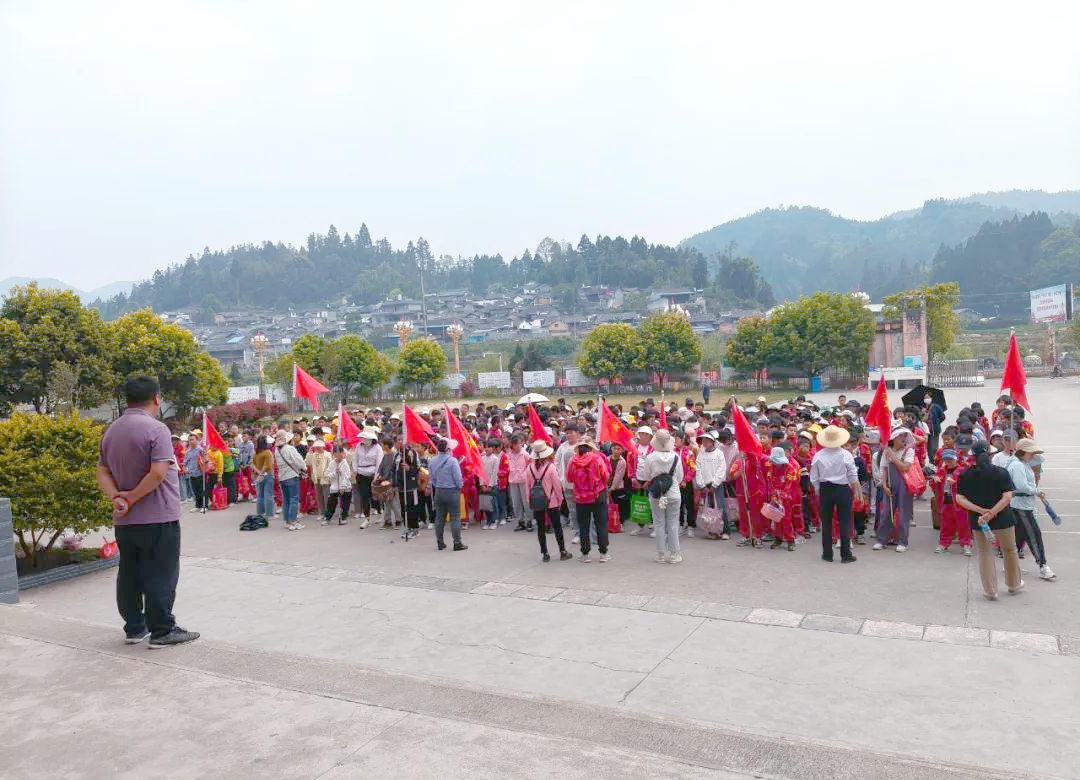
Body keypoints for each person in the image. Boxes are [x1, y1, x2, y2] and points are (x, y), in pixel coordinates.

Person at [96, 377, 199, 648]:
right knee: (161, 573)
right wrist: (132, 497)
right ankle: (163, 630)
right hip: (158, 517)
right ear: (156, 398)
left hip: (125, 521)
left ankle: (134, 627)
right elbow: (158, 473)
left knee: (129, 572)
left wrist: (118, 498)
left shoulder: (111, 431)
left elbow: (102, 470)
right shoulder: (157, 429)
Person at [956, 442, 1023, 600]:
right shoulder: (1001, 472)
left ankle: (990, 590)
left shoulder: (966, 474)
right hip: (1003, 518)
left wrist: (981, 511)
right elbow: (1007, 497)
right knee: (1010, 549)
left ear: (973, 456)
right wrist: (992, 512)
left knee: (985, 553)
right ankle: (1014, 584)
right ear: (991, 455)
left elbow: (959, 499)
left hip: (979, 520)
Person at [809, 425, 861, 564]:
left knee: (826, 523)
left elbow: (814, 477)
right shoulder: (846, 455)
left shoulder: (818, 456)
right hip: (843, 489)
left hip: (826, 489)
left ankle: (827, 554)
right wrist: (855, 490)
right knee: (844, 522)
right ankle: (846, 554)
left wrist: (818, 490)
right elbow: (852, 474)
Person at [1006, 439, 1057, 581]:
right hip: (1021, 506)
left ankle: (1009, 564)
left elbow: (1040, 459)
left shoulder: (1022, 463)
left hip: (1021, 505)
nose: (1033, 455)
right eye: (1031, 452)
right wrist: (1036, 491)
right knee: (1034, 535)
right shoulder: (1018, 465)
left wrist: (1035, 491)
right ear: (1022, 452)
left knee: (1019, 536)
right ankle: (1043, 566)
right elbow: (1021, 486)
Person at [638, 429, 684, 563]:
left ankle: (660, 554)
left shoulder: (651, 457)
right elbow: (680, 477)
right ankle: (675, 554)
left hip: (657, 492)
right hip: (674, 492)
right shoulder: (676, 456)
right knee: (673, 523)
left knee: (659, 523)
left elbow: (646, 475)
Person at [524, 441, 572, 562]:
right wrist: (561, 500)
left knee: (540, 527)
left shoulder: (529, 468)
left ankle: (545, 553)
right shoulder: (550, 468)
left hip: (537, 502)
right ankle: (562, 551)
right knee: (557, 526)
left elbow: (527, 486)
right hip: (552, 501)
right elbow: (557, 486)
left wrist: (529, 500)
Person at [567, 439, 611, 563]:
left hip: (581, 496)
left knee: (583, 525)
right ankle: (603, 553)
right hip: (598, 494)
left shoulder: (573, 460)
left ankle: (585, 554)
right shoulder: (597, 458)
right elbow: (605, 475)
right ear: (590, 448)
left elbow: (569, 477)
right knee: (601, 523)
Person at [873, 428, 915, 553]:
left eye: (905, 436)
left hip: (905, 486)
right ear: (894, 438)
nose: (903, 438)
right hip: (890, 485)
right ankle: (882, 540)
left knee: (903, 514)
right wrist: (884, 485)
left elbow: (905, 467)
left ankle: (902, 541)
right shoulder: (887, 451)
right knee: (886, 513)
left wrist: (893, 456)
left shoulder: (909, 451)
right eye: (901, 436)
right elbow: (884, 469)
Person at [428, 438, 468, 551]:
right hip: (452, 491)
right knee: (455, 517)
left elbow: (432, 479)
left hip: (439, 491)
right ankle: (457, 542)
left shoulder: (432, 461)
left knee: (440, 518)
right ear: (448, 449)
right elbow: (458, 478)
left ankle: (440, 543)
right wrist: (459, 487)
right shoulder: (452, 461)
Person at [275, 429, 307, 530]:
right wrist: (304, 468)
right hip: (291, 476)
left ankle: (288, 520)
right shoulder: (289, 448)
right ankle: (293, 521)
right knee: (294, 499)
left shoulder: (277, 450)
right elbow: (298, 460)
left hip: (282, 476)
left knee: (286, 499)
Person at [351, 428, 383, 528]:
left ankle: (379, 512)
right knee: (364, 496)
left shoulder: (377, 447)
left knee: (375, 496)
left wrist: (376, 476)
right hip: (361, 473)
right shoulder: (358, 446)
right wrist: (355, 471)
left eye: (367, 438)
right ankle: (367, 518)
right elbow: (355, 459)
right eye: (363, 438)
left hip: (373, 473)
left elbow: (379, 462)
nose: (364, 440)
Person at [505, 436, 531, 530]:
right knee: (516, 503)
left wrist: (524, 475)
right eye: (514, 444)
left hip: (524, 481)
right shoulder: (509, 455)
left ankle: (529, 521)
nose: (516, 446)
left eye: (518, 443)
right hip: (513, 481)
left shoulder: (525, 454)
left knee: (526, 502)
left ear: (521, 442)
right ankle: (520, 521)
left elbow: (529, 467)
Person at [323, 445, 353, 525]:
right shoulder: (332, 463)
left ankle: (344, 517)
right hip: (335, 486)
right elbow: (327, 475)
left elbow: (347, 476)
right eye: (335, 453)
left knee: (345, 503)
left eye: (339, 452)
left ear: (342, 453)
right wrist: (335, 473)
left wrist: (343, 486)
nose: (337, 454)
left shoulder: (345, 463)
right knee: (331, 502)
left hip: (344, 486)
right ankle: (328, 517)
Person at [306, 439, 332, 519]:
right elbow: (308, 463)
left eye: (319, 447)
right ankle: (321, 513)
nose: (318, 448)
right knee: (319, 496)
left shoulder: (327, 454)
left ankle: (328, 513)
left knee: (326, 496)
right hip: (317, 478)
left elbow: (330, 465)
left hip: (325, 477)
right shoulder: (314, 455)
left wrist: (327, 475)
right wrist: (309, 454)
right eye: (316, 447)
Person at [252, 435, 275, 518]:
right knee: (268, 495)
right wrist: (261, 473)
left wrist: (259, 474)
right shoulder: (268, 453)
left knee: (260, 495)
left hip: (259, 476)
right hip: (267, 474)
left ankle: (260, 512)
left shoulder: (256, 453)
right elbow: (267, 466)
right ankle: (269, 513)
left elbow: (253, 465)